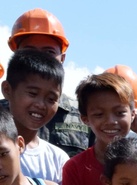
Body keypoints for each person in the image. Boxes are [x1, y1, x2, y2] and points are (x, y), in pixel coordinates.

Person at [6, 8, 89, 157]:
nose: (38, 58)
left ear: (62, 59)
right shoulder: (2, 112)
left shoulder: (86, 117)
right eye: (29, 51)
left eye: (49, 52)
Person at [2, 50, 68, 183]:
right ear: (7, 90)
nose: (41, 105)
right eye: (32, 93)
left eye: (51, 99)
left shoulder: (58, 160)